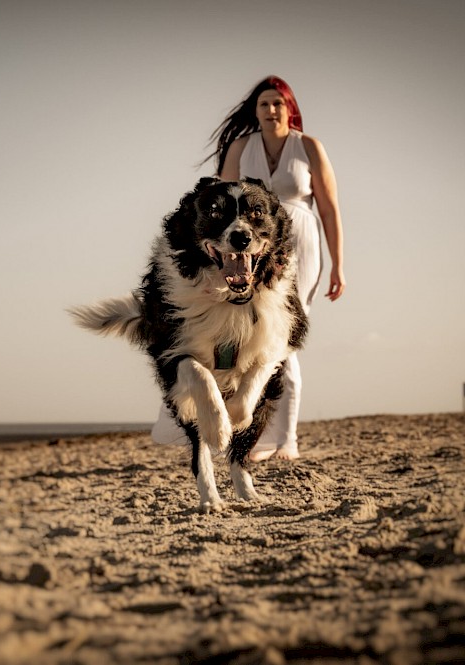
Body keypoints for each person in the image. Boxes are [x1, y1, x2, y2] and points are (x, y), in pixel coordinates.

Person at [150, 75, 345, 461]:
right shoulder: (242, 145)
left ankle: (284, 439)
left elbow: (329, 207)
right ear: (255, 112)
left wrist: (339, 264)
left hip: (296, 247)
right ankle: (238, 424)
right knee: (233, 334)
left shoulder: (309, 147)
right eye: (264, 104)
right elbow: (219, 204)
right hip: (240, 250)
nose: (271, 110)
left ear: (290, 109)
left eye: (278, 103)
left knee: (282, 339)